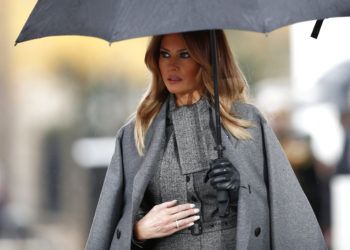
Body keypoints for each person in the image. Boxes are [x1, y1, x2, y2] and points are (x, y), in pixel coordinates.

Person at [85, 30, 326, 250]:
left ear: (206, 59)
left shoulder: (247, 122)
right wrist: (138, 230)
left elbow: (281, 206)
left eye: (185, 54)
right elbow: (115, 220)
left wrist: (242, 185)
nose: (172, 65)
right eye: (165, 54)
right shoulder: (136, 135)